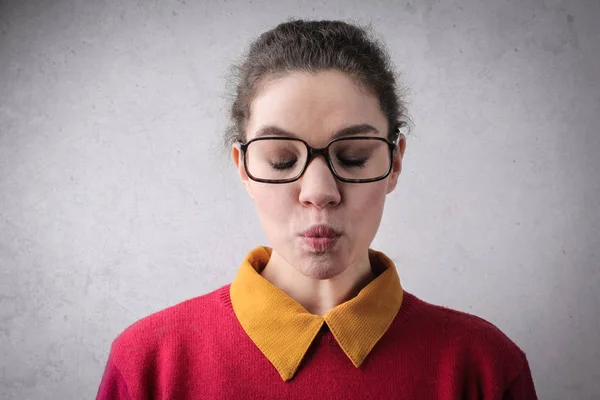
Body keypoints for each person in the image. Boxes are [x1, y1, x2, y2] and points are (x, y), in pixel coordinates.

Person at [96, 19, 538, 399]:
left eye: (353, 157)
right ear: (244, 168)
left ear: (395, 162)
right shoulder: (147, 366)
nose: (319, 191)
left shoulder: (485, 367)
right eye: (281, 160)